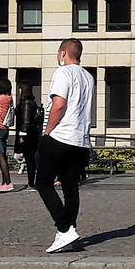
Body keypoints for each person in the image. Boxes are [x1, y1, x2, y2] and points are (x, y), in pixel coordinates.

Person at [40, 40, 95, 253]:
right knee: (70, 187)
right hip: (80, 140)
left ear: (63, 53)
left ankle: (64, 228)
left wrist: (47, 132)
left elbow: (59, 104)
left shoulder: (62, 73)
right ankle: (68, 232)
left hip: (61, 136)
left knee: (43, 182)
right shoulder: (88, 76)